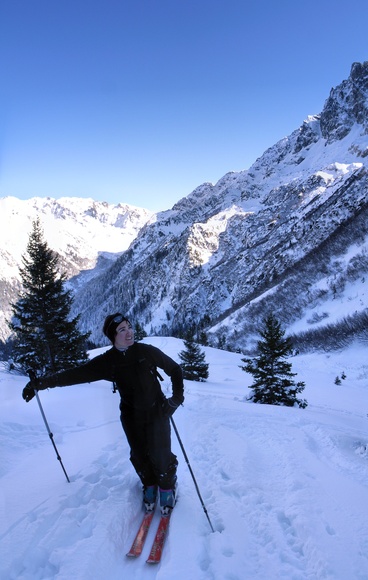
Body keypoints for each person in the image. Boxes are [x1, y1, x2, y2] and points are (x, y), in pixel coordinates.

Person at [22, 313, 184, 516]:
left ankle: (167, 487)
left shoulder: (146, 351)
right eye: (122, 330)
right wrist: (40, 384)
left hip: (157, 411)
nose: (129, 332)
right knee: (140, 455)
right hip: (131, 416)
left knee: (160, 454)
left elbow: (175, 369)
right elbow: (75, 374)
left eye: (129, 326)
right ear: (112, 337)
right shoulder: (108, 362)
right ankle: (149, 484)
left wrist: (176, 399)